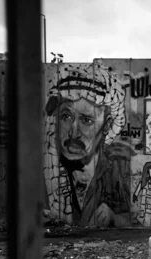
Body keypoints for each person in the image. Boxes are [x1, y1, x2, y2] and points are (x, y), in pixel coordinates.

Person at [43, 65, 131, 227]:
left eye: (86, 120)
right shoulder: (45, 173)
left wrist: (114, 217)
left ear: (106, 125)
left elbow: (139, 222)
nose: (73, 133)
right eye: (67, 116)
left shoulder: (119, 168)